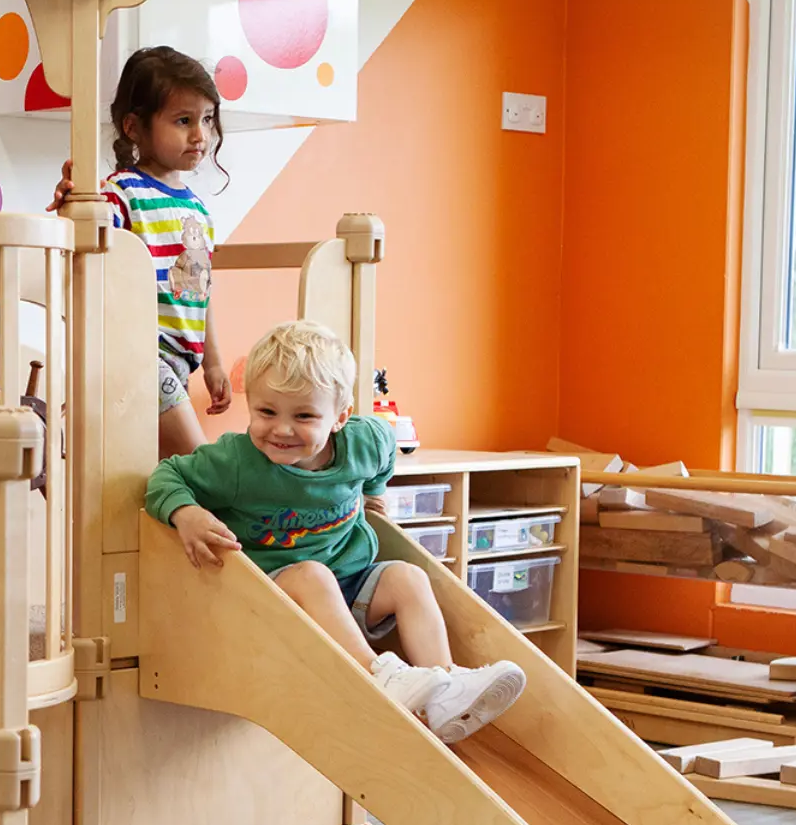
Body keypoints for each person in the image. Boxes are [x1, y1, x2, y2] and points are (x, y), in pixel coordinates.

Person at [145, 321, 526, 744]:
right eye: (266, 412)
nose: (282, 429)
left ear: (340, 417)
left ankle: (446, 687)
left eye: (304, 416)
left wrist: (373, 495)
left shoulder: (364, 441)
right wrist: (187, 513)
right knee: (312, 574)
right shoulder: (237, 462)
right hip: (273, 596)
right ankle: (378, 675)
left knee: (408, 576)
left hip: (349, 580)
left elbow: (384, 458)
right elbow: (166, 476)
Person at [48, 46, 231, 458]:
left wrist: (214, 363)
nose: (200, 135)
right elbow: (80, 247)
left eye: (206, 119)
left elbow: (202, 295)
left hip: (181, 364)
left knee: (166, 476)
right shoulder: (121, 194)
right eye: (183, 121)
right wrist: (72, 202)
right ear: (134, 128)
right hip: (141, 358)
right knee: (201, 463)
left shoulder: (198, 210)